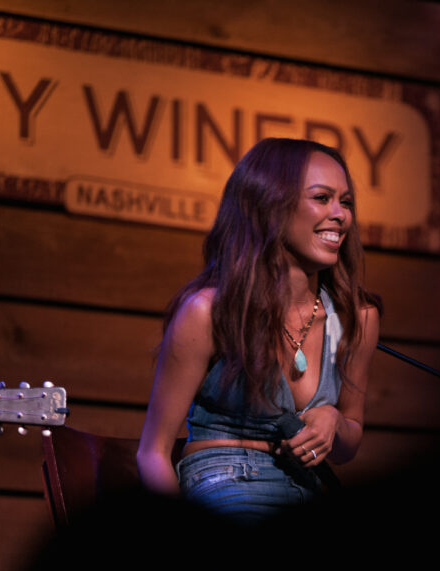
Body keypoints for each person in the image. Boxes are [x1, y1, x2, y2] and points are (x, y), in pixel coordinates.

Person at [136, 138, 381, 526]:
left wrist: (333, 420)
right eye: (322, 198)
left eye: (346, 202)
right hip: (227, 486)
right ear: (270, 206)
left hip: (307, 488)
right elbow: (152, 454)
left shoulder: (357, 318)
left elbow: (347, 446)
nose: (341, 215)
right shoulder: (207, 312)